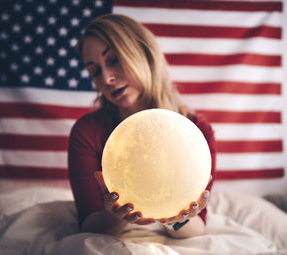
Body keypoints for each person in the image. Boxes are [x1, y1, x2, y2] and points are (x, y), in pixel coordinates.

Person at [68, 14, 216, 239]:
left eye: (114, 60)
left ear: (145, 55)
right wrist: (114, 215)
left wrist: (178, 218)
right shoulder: (87, 132)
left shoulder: (195, 132)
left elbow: (197, 227)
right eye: (95, 71)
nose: (107, 78)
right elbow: (89, 225)